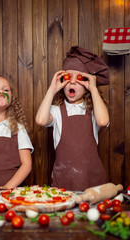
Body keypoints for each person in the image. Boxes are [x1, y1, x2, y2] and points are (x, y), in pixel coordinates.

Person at [35, 46, 110, 191]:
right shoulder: (57, 112)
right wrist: (52, 89)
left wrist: (93, 88)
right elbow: (41, 120)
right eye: (68, 77)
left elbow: (103, 121)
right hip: (64, 180)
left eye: (80, 78)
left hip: (93, 180)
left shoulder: (94, 110)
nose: (73, 82)